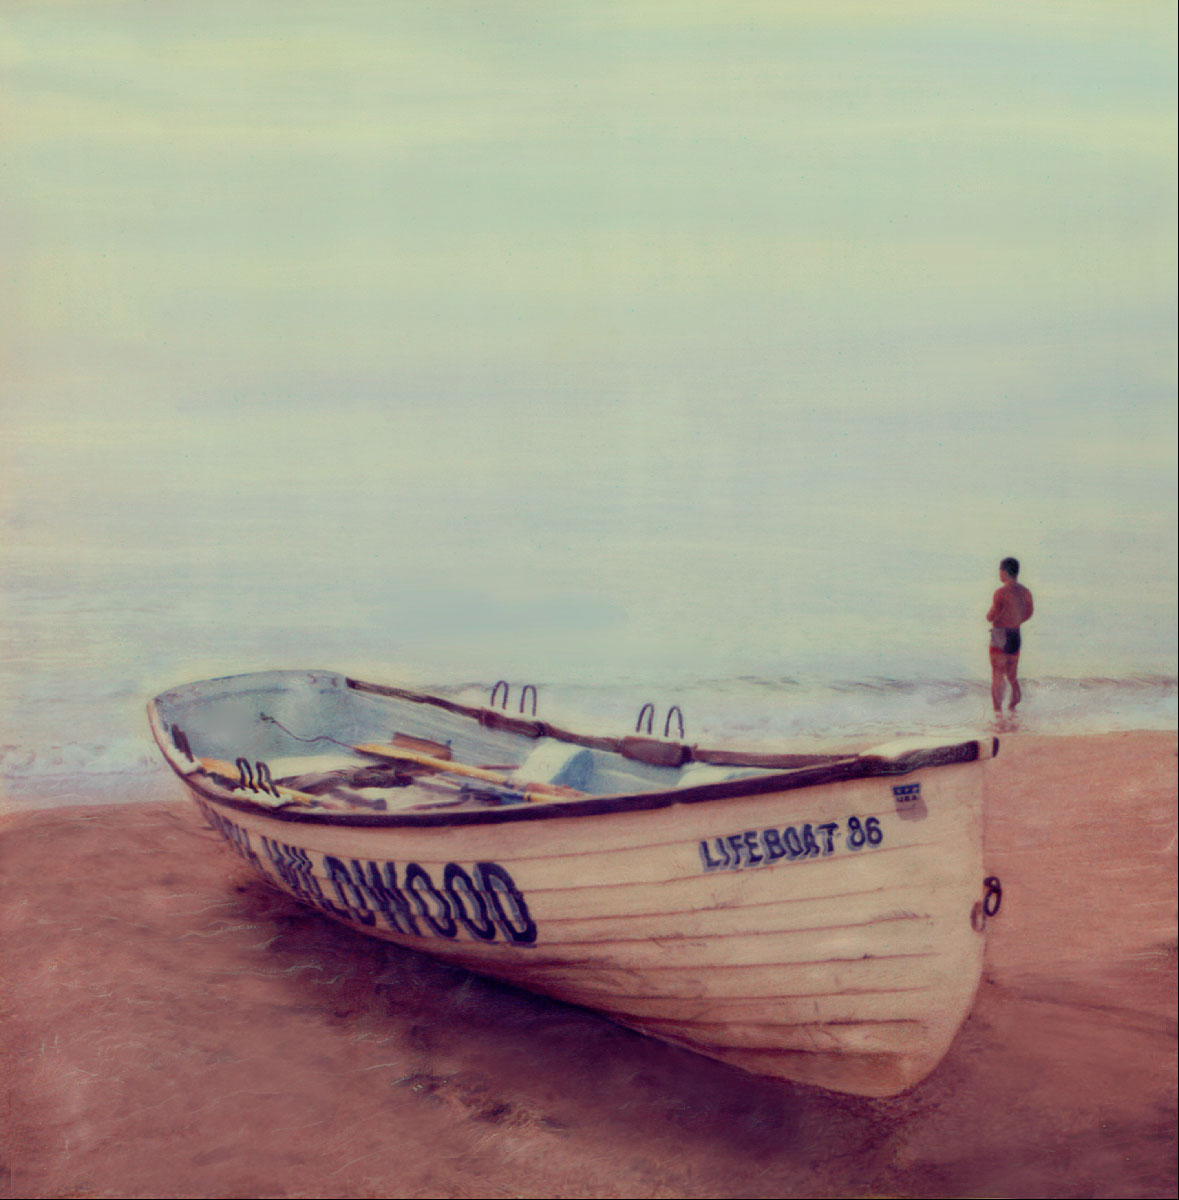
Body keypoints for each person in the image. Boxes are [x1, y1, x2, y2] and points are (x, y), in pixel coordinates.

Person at [986, 557, 1034, 712]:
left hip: (1000, 634)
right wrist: (1016, 621)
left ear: (1004, 572)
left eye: (1000, 571)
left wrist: (989, 617)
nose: (999, 574)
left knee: (997, 675)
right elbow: (1029, 613)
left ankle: (997, 712)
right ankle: (1013, 707)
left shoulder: (1000, 593)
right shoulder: (1025, 592)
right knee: (1012, 675)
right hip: (1015, 634)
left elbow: (992, 615)